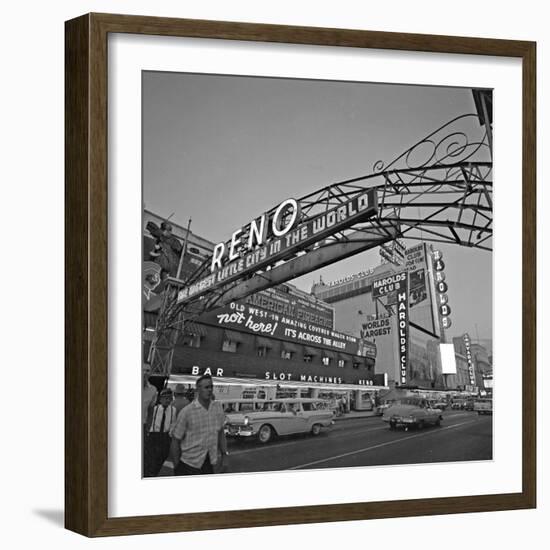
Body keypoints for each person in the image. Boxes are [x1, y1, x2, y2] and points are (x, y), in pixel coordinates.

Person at [170, 375, 228, 475]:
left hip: (210, 462)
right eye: (206, 387)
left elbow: (221, 433)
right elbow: (175, 440)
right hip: (189, 464)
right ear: (198, 389)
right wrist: (177, 467)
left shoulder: (218, 407)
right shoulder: (187, 412)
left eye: (211, 387)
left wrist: (224, 455)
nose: (209, 390)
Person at [144, 388, 177, 477]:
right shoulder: (155, 409)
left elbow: (173, 423)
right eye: (165, 398)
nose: (167, 400)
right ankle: (149, 475)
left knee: (161, 458)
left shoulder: (173, 410)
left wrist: (170, 434)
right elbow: (148, 420)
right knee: (150, 459)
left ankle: (154, 473)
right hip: (154, 436)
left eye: (169, 398)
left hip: (165, 437)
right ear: (160, 399)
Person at [142, 363, 158, 437]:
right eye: (142, 370)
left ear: (150, 373)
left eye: (147, 370)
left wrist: (148, 427)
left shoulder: (153, 390)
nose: (145, 373)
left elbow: (150, 410)